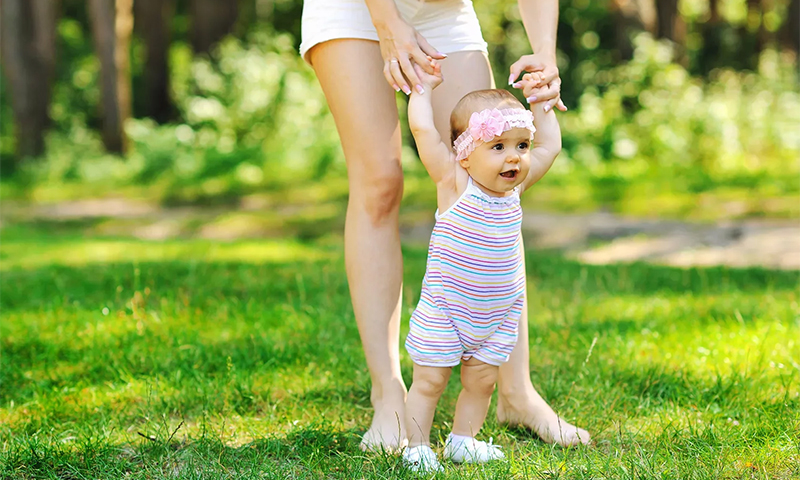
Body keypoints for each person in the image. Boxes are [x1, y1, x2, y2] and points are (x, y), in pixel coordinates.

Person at [299, 0, 590, 450]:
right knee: (380, 181)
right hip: (356, 9)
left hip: (444, 11)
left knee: (494, 186)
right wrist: (388, 22)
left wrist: (545, 57)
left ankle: (516, 392)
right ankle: (389, 395)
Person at [400, 61, 562, 472]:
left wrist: (542, 105)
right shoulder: (453, 182)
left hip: (497, 314)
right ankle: (416, 447)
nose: (515, 158)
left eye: (520, 146)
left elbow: (551, 147)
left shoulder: (515, 189)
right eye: (498, 147)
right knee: (430, 381)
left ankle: (462, 440)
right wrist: (422, 91)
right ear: (465, 153)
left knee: (483, 382)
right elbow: (423, 131)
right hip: (447, 310)